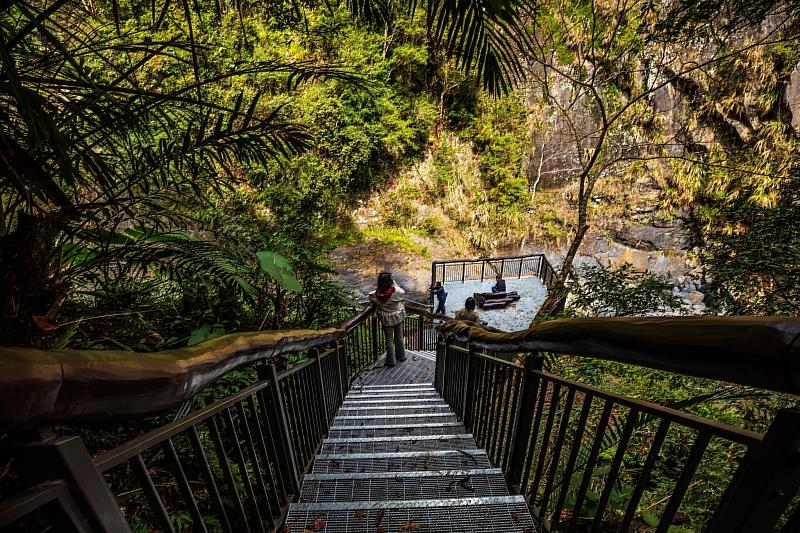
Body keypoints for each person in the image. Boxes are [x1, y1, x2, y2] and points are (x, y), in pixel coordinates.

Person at [368, 272, 407, 367]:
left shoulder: (374, 295)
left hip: (386, 318)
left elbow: (370, 295)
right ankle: (402, 356)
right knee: (399, 337)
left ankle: (391, 361)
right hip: (398, 316)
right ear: (390, 281)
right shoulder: (397, 292)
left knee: (389, 339)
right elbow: (403, 293)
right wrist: (394, 284)